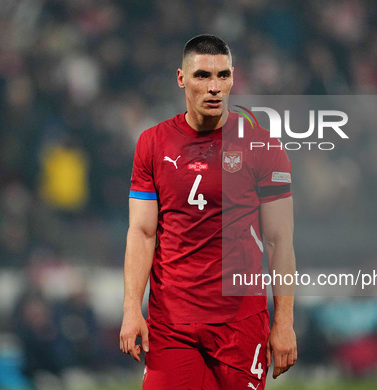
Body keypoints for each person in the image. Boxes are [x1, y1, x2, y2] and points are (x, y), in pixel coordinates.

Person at [119, 34, 297, 390]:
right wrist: (130, 310)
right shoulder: (152, 143)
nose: (214, 87)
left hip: (240, 321)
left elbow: (279, 240)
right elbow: (142, 232)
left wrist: (284, 322)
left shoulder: (263, 146)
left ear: (233, 78)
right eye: (203, 75)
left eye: (223, 75)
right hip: (171, 322)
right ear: (182, 79)